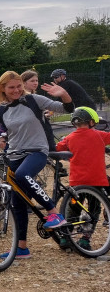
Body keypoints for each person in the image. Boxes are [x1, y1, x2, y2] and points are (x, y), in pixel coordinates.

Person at [0, 71, 73, 260]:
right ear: (3, 89)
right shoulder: (1, 109)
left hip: (37, 151)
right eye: (11, 87)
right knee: (17, 202)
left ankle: (53, 212)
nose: (17, 90)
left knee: (23, 175)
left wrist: (64, 94)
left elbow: (66, 108)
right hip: (13, 154)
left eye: (19, 86)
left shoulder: (34, 100)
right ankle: (22, 248)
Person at [54, 106, 110, 250]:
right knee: (94, 209)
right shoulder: (100, 135)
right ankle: (85, 239)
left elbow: (58, 148)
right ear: (91, 122)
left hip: (77, 181)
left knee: (73, 209)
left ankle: (66, 238)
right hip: (96, 181)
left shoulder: (69, 138)